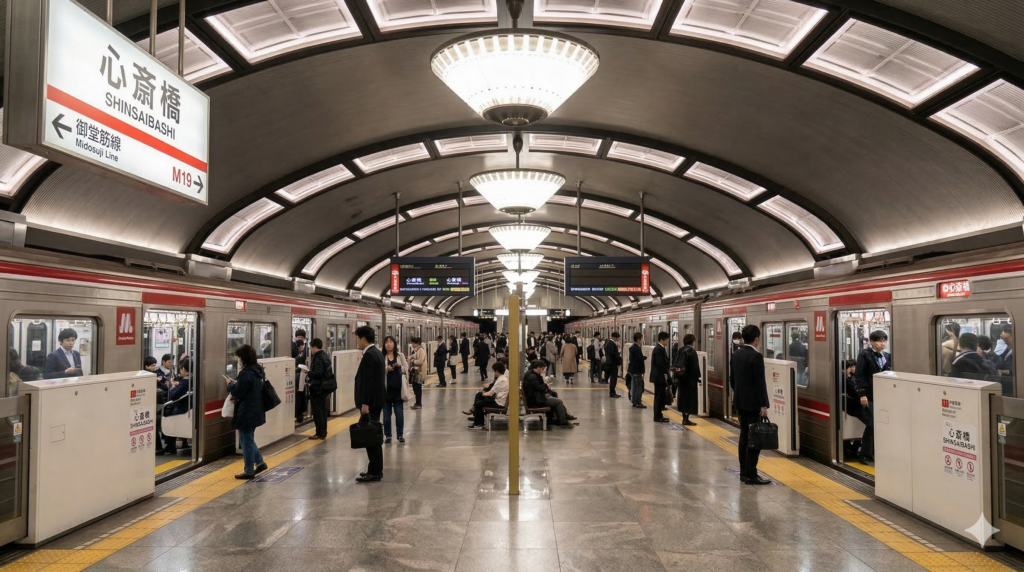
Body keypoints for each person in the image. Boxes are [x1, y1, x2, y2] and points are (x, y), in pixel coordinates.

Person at [731, 325, 771, 485]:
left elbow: (732, 379)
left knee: (743, 436)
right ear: (756, 339)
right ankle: (752, 474)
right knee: (754, 438)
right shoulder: (756, 357)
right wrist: (764, 405)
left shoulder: (736, 354)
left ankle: (743, 472)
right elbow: (760, 383)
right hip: (753, 403)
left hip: (740, 402)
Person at [226, 345, 268, 479]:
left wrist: (230, 385)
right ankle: (260, 462)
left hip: (246, 411)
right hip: (256, 409)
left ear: (243, 358)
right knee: (246, 439)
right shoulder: (258, 370)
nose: (238, 360)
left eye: (239, 358)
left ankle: (249, 470)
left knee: (247, 440)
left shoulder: (245, 373)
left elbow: (238, 392)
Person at [854, 330, 891, 466]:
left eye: (884, 341)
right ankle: (865, 453)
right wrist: (862, 394)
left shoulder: (887, 356)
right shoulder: (865, 355)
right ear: (872, 342)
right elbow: (859, 375)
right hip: (870, 395)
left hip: (884, 395)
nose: (883, 344)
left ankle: (876, 451)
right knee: (872, 423)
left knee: (880, 423)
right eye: (879, 341)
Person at [354, 326, 386, 483]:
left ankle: (374, 472)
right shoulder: (378, 352)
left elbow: (368, 382)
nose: (358, 342)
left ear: (364, 339)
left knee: (371, 438)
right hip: (377, 401)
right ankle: (376, 469)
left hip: (371, 403)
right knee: (374, 436)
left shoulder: (369, 355)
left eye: (358, 339)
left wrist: (365, 403)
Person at [523, 360, 572, 428]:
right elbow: (540, 388)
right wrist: (546, 386)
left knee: (554, 395)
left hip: (535, 397)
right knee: (559, 401)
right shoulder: (533, 377)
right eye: (542, 369)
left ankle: (560, 416)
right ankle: (562, 421)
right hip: (536, 401)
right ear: (538, 368)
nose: (543, 371)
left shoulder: (530, 374)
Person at [306, 338, 335, 440]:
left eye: (311, 348)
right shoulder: (325, 356)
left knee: (317, 411)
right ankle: (323, 431)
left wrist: (308, 372)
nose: (311, 350)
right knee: (322, 410)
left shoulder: (318, 357)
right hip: (324, 387)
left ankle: (319, 432)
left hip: (318, 388)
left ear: (315, 347)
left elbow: (318, 372)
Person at [469, 362, 510, 429]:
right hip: (500, 401)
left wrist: (483, 393)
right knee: (479, 399)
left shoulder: (501, 380)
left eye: (494, 371)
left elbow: (491, 393)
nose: (494, 373)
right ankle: (477, 421)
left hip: (499, 403)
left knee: (478, 403)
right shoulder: (503, 378)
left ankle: (478, 423)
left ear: (496, 371)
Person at [382, 336, 407, 444]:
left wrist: (399, 366)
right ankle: (388, 435)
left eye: (391, 342)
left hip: (398, 390)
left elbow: (406, 369)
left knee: (399, 414)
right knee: (386, 414)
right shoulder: (382, 357)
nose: (388, 344)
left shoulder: (400, 356)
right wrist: (386, 369)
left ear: (394, 344)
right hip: (386, 390)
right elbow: (378, 371)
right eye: (386, 342)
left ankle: (400, 434)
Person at [145, 356, 171, 456]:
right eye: (151, 366)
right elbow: (164, 388)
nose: (153, 368)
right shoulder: (149, 376)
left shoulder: (154, 375)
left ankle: (160, 447)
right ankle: (160, 447)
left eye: (154, 366)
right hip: (154, 405)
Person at [673, 333, 700, 426]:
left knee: (683, 398)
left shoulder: (680, 350)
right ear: (692, 342)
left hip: (681, 379)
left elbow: (675, 363)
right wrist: (698, 378)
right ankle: (686, 419)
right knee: (689, 399)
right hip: (690, 379)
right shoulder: (692, 351)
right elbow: (695, 367)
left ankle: (684, 417)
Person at [651, 332, 671, 423]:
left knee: (660, 396)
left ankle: (659, 414)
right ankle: (657, 416)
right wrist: (665, 375)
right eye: (667, 340)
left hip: (659, 376)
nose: (668, 341)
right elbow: (660, 364)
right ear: (662, 340)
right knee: (659, 396)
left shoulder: (660, 348)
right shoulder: (659, 349)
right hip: (659, 376)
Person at [627, 333, 647, 409]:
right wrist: (645, 357)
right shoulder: (637, 348)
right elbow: (639, 358)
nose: (642, 340)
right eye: (642, 338)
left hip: (632, 370)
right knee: (639, 387)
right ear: (638, 339)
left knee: (634, 386)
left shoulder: (632, 347)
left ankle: (634, 401)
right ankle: (638, 402)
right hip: (637, 370)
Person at [293, 338, 310, 425]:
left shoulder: (306, 352)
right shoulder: (301, 352)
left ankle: (301, 414)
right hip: (300, 376)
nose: (298, 349)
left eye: (298, 347)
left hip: (303, 376)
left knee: (301, 394)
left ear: (300, 346)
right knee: (300, 394)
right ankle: (300, 414)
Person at [408, 337, 426, 410]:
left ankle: (419, 404)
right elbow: (414, 356)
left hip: (419, 372)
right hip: (415, 371)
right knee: (415, 387)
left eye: (413, 343)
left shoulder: (421, 350)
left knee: (418, 388)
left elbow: (420, 361)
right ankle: (417, 403)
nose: (412, 344)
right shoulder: (416, 350)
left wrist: (412, 361)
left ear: (417, 343)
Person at [605, 332, 622, 397]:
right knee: (613, 379)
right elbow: (612, 354)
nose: (618, 339)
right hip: (613, 364)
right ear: (614, 337)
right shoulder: (611, 344)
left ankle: (612, 392)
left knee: (613, 378)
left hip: (610, 363)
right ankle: (612, 393)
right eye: (617, 338)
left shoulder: (608, 343)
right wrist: (618, 353)